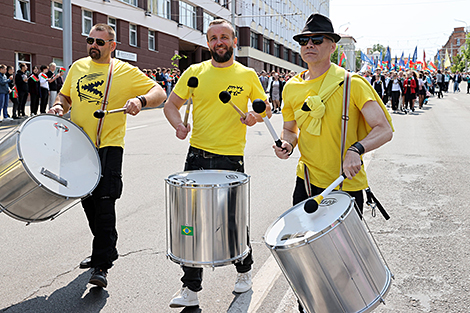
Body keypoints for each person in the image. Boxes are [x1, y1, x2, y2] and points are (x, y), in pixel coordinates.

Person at [271, 14, 393, 312]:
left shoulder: (352, 84)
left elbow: (384, 129)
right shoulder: (291, 88)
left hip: (344, 187)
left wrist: (356, 148)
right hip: (307, 183)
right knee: (307, 261)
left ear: (332, 46)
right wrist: (287, 144)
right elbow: (290, 129)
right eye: (303, 40)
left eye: (316, 40)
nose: (308, 45)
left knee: (346, 267)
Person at [48, 23, 166, 288]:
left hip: (108, 146)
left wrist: (140, 101)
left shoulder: (124, 71)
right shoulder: (77, 67)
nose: (94, 45)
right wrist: (58, 106)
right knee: (88, 202)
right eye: (91, 40)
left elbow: (160, 92)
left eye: (100, 42)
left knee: (104, 202)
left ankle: (101, 264)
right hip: (78, 146)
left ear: (112, 46)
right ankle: (106, 250)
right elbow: (65, 96)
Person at [163, 18, 270, 309]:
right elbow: (171, 105)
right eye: (213, 38)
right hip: (197, 155)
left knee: (232, 219)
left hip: (230, 158)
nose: (219, 42)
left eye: (224, 37)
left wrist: (254, 116)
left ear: (235, 41)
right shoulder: (195, 72)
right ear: (207, 42)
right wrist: (178, 126)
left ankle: (244, 271)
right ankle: (191, 287)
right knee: (192, 222)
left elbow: (265, 107)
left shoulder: (247, 75)